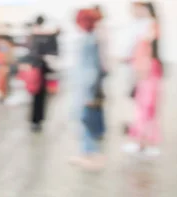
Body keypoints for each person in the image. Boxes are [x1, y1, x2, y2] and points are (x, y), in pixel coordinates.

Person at [68, 9, 107, 170]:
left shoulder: (88, 40)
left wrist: (88, 92)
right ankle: (87, 152)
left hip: (85, 88)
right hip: (85, 86)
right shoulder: (91, 38)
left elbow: (91, 68)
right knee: (85, 120)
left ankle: (89, 154)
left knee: (86, 120)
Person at [123, 1, 162, 156]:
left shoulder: (150, 27)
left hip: (147, 71)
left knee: (146, 107)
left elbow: (145, 47)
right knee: (143, 107)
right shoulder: (143, 27)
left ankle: (144, 142)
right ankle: (141, 142)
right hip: (143, 70)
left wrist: (141, 68)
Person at [26, 15, 60, 132]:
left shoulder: (35, 36)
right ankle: (37, 120)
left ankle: (36, 120)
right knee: (39, 96)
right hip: (41, 70)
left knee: (37, 96)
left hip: (38, 69)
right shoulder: (47, 36)